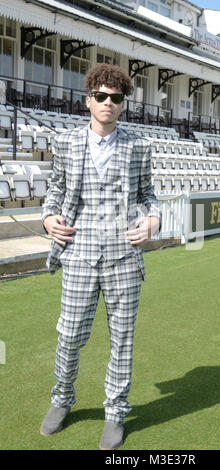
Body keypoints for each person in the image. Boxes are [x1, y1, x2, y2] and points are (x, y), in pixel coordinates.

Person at [40, 63, 161, 450]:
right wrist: (47, 218)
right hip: (77, 251)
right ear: (88, 99)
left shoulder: (139, 146)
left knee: (122, 339)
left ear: (123, 103)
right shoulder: (66, 142)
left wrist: (152, 222)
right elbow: (55, 189)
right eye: (101, 96)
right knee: (70, 334)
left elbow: (147, 196)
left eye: (117, 97)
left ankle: (116, 412)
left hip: (124, 255)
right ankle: (61, 398)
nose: (108, 103)